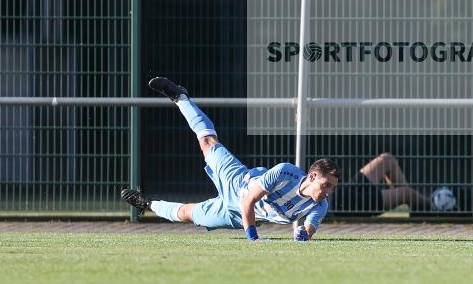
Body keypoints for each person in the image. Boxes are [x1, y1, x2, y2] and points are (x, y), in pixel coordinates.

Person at [120, 77, 340, 242]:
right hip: (237, 180)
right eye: (326, 184)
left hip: (234, 215)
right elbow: (248, 201)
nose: (328, 191)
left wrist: (302, 235)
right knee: (208, 141)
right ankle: (180, 97)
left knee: (189, 214)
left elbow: (307, 233)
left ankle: (146, 203)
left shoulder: (320, 206)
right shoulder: (285, 172)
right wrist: (254, 238)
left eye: (331, 187)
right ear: (312, 176)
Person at [333, 152, 432, 216]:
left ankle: (415, 206)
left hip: (344, 189)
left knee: (387, 158)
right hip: (344, 203)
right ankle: (434, 208)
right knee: (408, 194)